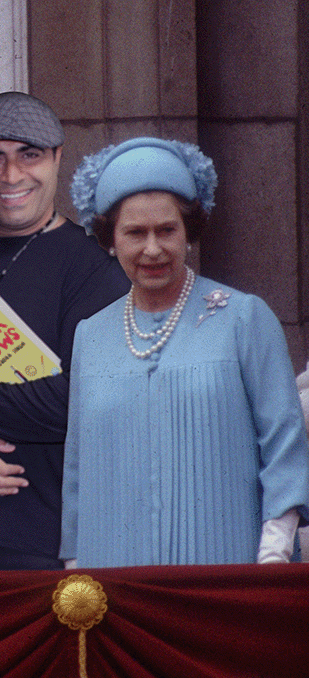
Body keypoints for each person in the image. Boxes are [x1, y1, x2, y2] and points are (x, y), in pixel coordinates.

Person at [61, 137, 309, 567]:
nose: (153, 249)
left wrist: (274, 551)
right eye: (135, 233)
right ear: (109, 239)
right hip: (113, 573)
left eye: (167, 230)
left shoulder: (244, 319)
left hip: (225, 565)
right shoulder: (91, 334)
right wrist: (74, 566)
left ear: (189, 231)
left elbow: (284, 444)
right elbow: (78, 470)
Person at [0, 92, 129, 570]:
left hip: (40, 532)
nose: (11, 176)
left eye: (29, 155)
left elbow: (75, 402)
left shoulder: (94, 268)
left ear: (59, 158)